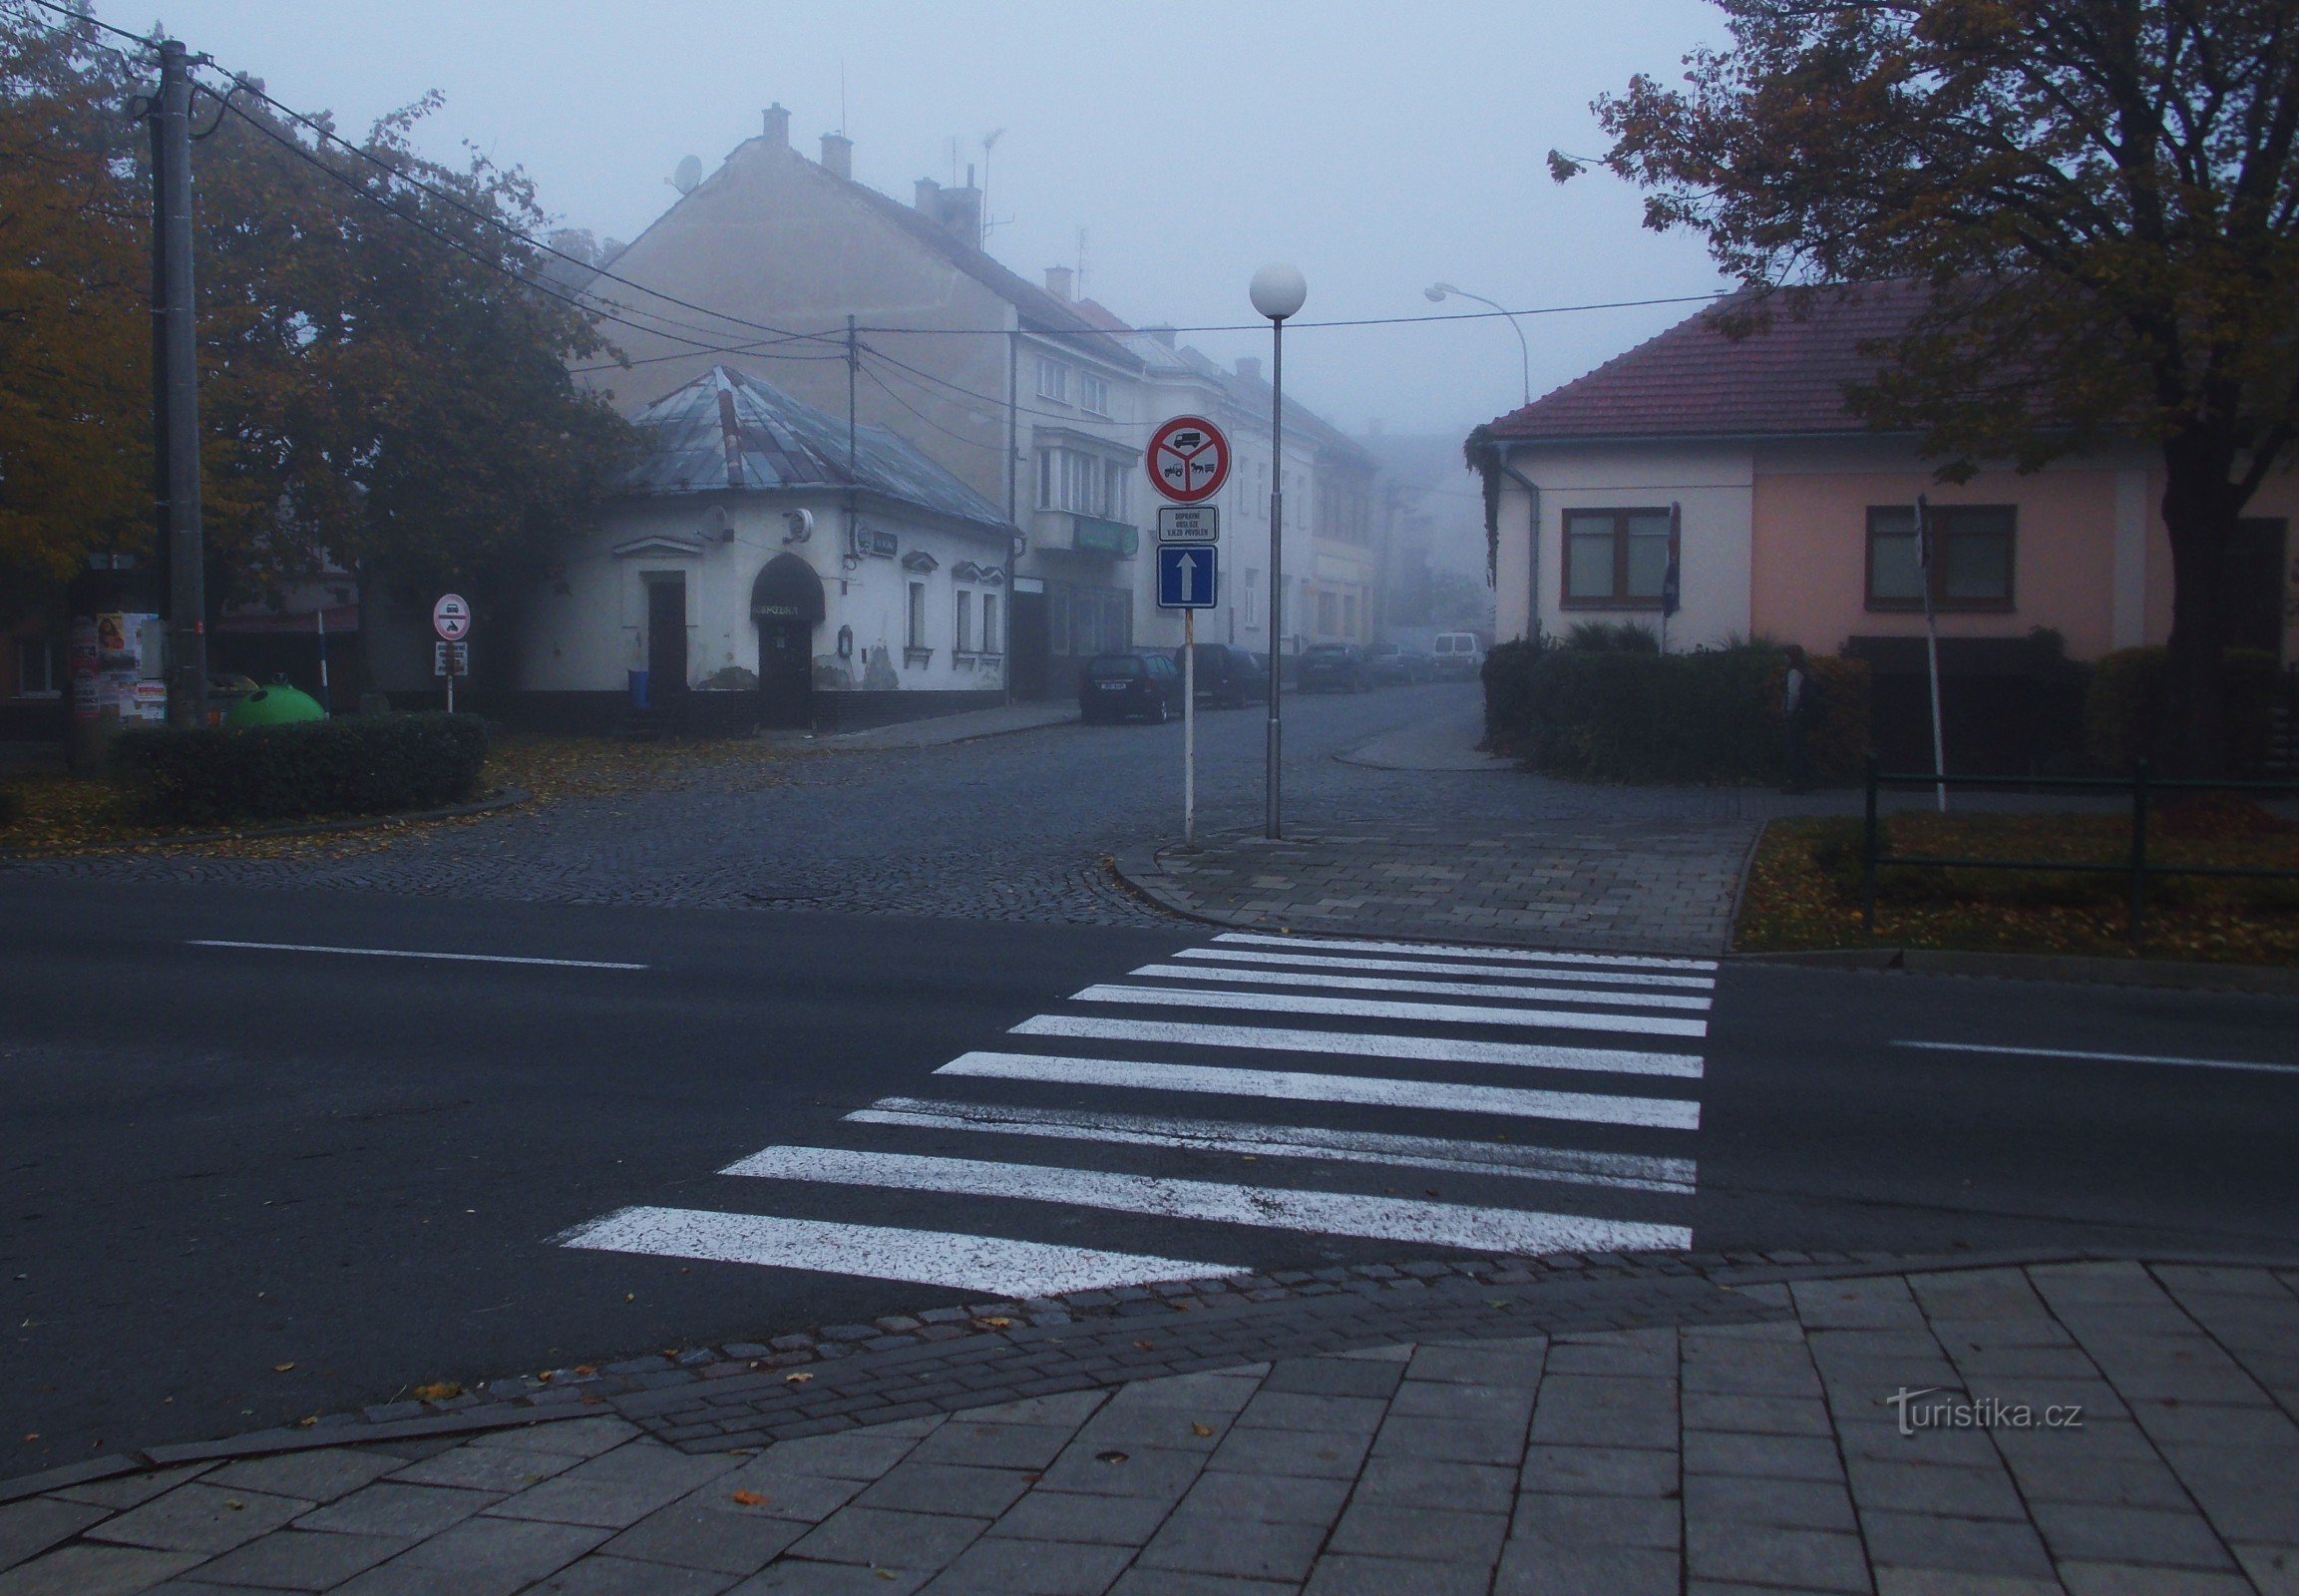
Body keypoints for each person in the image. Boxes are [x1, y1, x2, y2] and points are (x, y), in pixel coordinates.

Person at [1782, 643, 1815, 793]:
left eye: (1786, 655)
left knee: (1794, 749)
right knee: (1802, 748)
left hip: (1796, 716)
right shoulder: (1806, 671)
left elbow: (1793, 694)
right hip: (1805, 715)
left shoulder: (1794, 672)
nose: (1784, 658)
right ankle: (1806, 781)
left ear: (1791, 656)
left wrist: (1789, 711)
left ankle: (1797, 783)